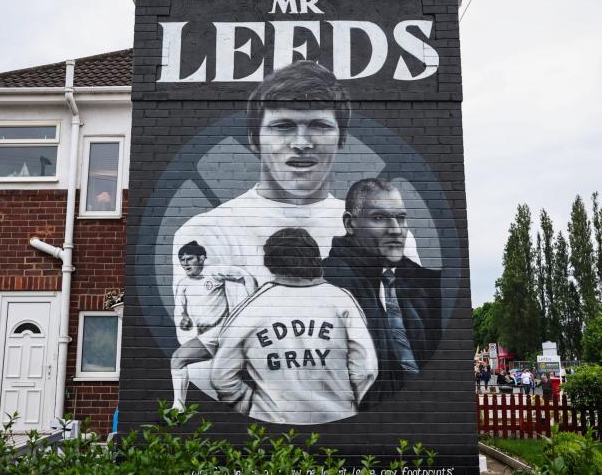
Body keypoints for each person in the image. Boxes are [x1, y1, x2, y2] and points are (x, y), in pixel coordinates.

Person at [170, 60, 419, 296]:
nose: (302, 143)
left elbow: (410, 329)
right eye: (283, 126)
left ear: (342, 138)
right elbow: (207, 337)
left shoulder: (387, 232)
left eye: (320, 126)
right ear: (254, 139)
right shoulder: (205, 233)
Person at [210, 228, 378, 424]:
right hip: (337, 420)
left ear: (270, 263)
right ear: (314, 258)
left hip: (274, 429)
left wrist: (251, 404)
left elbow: (221, 377)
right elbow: (365, 369)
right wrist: (347, 401)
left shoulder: (250, 309)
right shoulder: (341, 300)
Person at [323, 178, 441, 408]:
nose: (396, 230)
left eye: (401, 218)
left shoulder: (421, 283)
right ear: (350, 223)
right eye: (379, 218)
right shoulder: (329, 283)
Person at [169, 241, 256, 411]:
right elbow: (181, 313)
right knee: (225, 380)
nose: (185, 263)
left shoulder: (214, 273)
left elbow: (244, 276)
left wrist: (251, 301)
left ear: (201, 259)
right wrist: (183, 321)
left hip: (222, 331)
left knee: (178, 359)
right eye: (182, 259)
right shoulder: (183, 285)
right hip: (206, 336)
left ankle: (178, 407)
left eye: (189, 258)